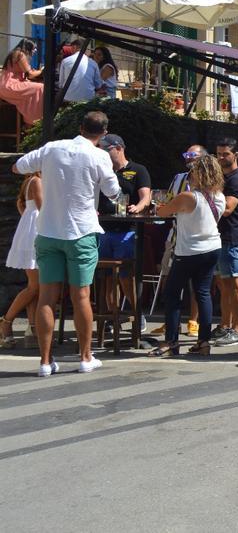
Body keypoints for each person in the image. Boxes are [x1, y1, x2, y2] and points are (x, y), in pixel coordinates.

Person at [14, 110, 120, 376]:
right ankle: (85, 357)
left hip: (49, 232)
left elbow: (18, 166)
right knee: (81, 296)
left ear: (81, 127)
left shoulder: (52, 148)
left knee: (46, 297)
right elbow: (113, 192)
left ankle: (45, 362)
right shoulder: (99, 155)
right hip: (81, 232)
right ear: (103, 133)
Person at [150, 154, 225, 357]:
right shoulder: (219, 197)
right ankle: (203, 342)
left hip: (189, 250)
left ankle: (171, 342)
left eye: (192, 172)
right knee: (203, 293)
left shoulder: (188, 197)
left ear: (199, 174)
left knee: (172, 294)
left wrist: (159, 207)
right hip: (212, 247)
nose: (190, 176)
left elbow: (163, 212)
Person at [96, 133, 152, 330]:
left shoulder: (138, 170)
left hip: (127, 229)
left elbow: (146, 196)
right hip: (103, 228)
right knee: (106, 276)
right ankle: (113, 317)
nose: (102, 153)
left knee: (126, 276)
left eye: (106, 149)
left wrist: (139, 207)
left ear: (119, 148)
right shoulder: (102, 171)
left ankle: (137, 313)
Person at [212, 139, 238, 347]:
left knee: (234, 284)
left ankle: (237, 329)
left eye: (225, 154)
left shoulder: (237, 180)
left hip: (230, 238)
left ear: (235, 155)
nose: (221, 157)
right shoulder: (223, 178)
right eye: (218, 153)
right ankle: (225, 325)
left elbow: (227, 209)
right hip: (218, 238)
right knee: (223, 285)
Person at [0, 172, 42, 347]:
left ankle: (33, 329)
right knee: (35, 286)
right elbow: (43, 208)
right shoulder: (37, 181)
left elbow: (21, 203)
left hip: (32, 231)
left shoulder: (32, 180)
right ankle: (6, 321)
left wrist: (27, 218)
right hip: (36, 233)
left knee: (35, 286)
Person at [0, 38, 43, 124]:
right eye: (34, 48)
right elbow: (30, 74)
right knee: (41, 87)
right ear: (28, 47)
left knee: (36, 87)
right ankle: (34, 119)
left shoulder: (16, 53)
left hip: (6, 85)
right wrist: (42, 71)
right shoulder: (20, 54)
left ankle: (30, 120)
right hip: (10, 85)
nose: (35, 50)